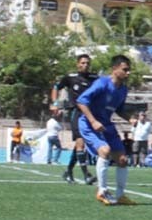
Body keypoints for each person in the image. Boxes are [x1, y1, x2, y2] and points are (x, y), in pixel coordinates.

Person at [77, 54, 135, 206]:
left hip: (106, 125)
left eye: (129, 70)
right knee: (105, 151)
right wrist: (93, 121)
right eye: (125, 69)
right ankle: (102, 191)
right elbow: (81, 101)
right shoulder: (101, 83)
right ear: (115, 69)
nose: (128, 73)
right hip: (89, 124)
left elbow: (120, 109)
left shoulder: (123, 90)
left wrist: (130, 119)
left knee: (122, 160)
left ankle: (120, 195)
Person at [51, 54, 99, 184]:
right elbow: (56, 87)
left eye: (87, 63)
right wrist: (55, 103)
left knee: (80, 145)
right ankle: (86, 175)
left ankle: (68, 171)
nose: (85, 65)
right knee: (81, 142)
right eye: (83, 63)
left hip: (90, 114)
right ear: (77, 64)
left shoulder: (94, 78)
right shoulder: (70, 78)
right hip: (76, 113)